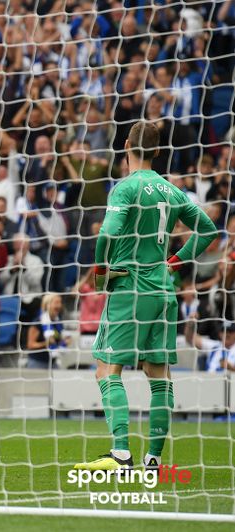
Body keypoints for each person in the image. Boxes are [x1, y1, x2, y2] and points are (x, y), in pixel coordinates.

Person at [74, 121, 219, 472]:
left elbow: (106, 234)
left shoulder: (125, 188)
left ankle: (121, 452)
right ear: (156, 151)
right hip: (163, 292)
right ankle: (153, 459)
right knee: (159, 375)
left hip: (130, 289)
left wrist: (99, 271)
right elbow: (208, 230)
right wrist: (176, 261)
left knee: (107, 371)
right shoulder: (172, 190)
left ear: (126, 145)